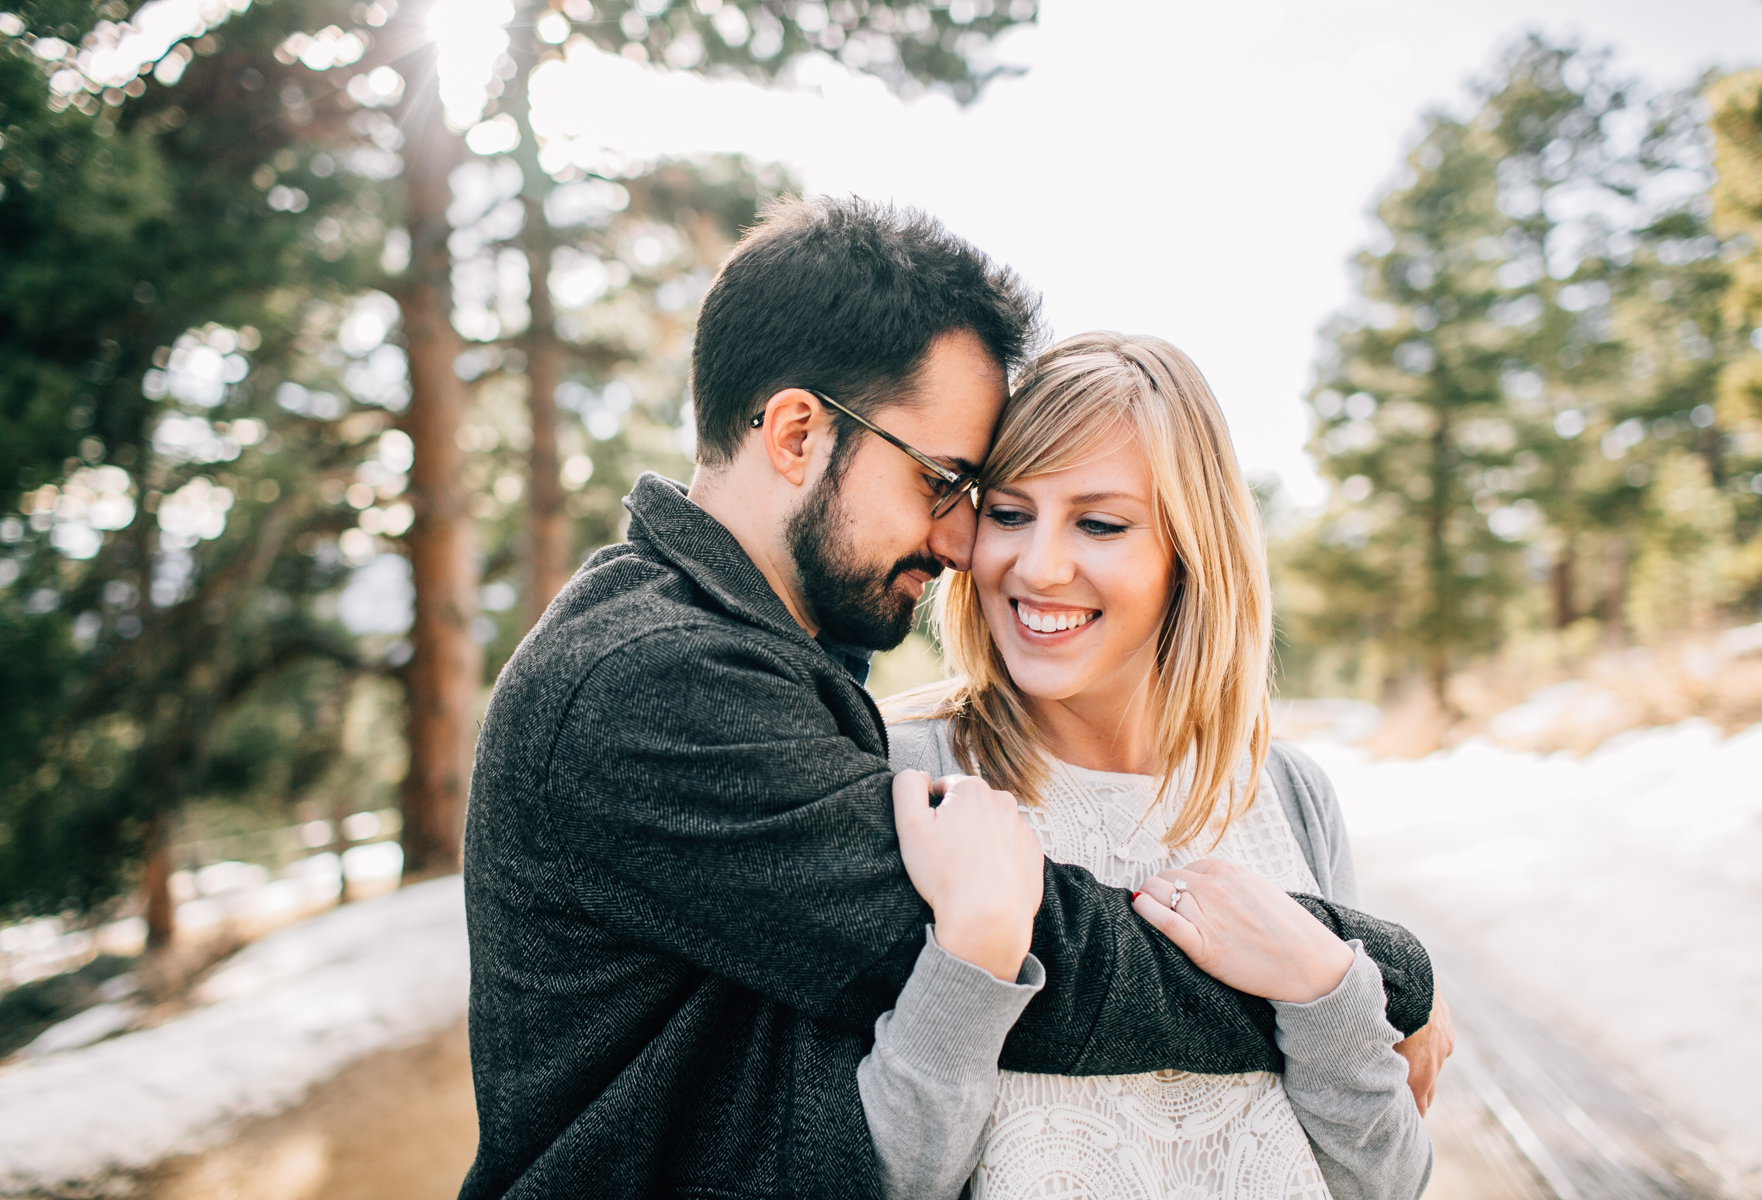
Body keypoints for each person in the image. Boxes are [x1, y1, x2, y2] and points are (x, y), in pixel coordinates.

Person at [457, 198, 1438, 1200]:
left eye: (1098, 522)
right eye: (951, 486)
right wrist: (1377, 970)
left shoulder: (761, 664)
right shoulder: (663, 681)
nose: (972, 545)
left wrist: (1340, 987)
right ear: (797, 435)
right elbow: (1052, 971)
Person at [859, 331, 1451, 1200]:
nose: (1038, 565)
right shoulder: (905, 773)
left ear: (1190, 552)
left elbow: (1384, 1182)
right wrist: (971, 959)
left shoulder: (1288, 794)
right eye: (1011, 514)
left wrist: (1328, 992)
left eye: (1099, 523)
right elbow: (873, 1175)